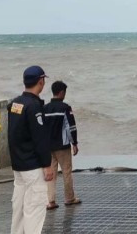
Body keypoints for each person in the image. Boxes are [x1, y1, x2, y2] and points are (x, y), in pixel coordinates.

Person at [8, 65, 54, 234]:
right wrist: (47, 164)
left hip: (18, 166)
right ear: (40, 82)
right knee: (34, 210)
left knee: (18, 210)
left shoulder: (15, 104)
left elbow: (14, 135)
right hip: (33, 167)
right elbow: (40, 138)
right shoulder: (34, 106)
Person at [43, 80, 80, 210]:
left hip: (48, 147)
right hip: (62, 146)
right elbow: (71, 127)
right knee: (66, 172)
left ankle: (51, 201)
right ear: (61, 92)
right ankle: (69, 198)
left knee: (50, 174)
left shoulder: (45, 108)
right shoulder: (65, 108)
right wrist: (74, 143)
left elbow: (41, 128)